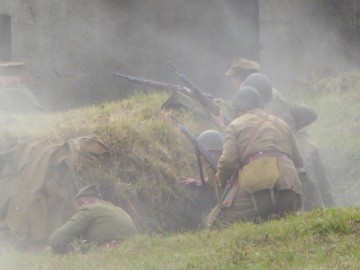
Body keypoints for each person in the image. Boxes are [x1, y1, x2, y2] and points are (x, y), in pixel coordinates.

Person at [209, 87, 304, 227]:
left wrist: (220, 179)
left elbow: (228, 161)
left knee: (217, 222)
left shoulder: (235, 125)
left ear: (239, 109)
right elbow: (299, 162)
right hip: (290, 187)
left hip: (259, 186)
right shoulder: (282, 124)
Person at [241, 73, 336, 209]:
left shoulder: (256, 117)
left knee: (307, 205)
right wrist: (294, 126)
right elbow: (311, 113)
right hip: (309, 150)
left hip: (290, 161)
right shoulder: (282, 104)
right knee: (324, 197)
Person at [49, 184, 138, 254]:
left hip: (107, 252)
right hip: (134, 251)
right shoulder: (120, 210)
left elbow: (56, 239)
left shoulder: (89, 209)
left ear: (82, 203)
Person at [180, 130, 224, 226]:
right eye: (202, 153)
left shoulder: (226, 163)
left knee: (212, 221)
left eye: (208, 153)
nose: (203, 158)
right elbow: (215, 178)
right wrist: (199, 181)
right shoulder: (213, 166)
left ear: (219, 151)